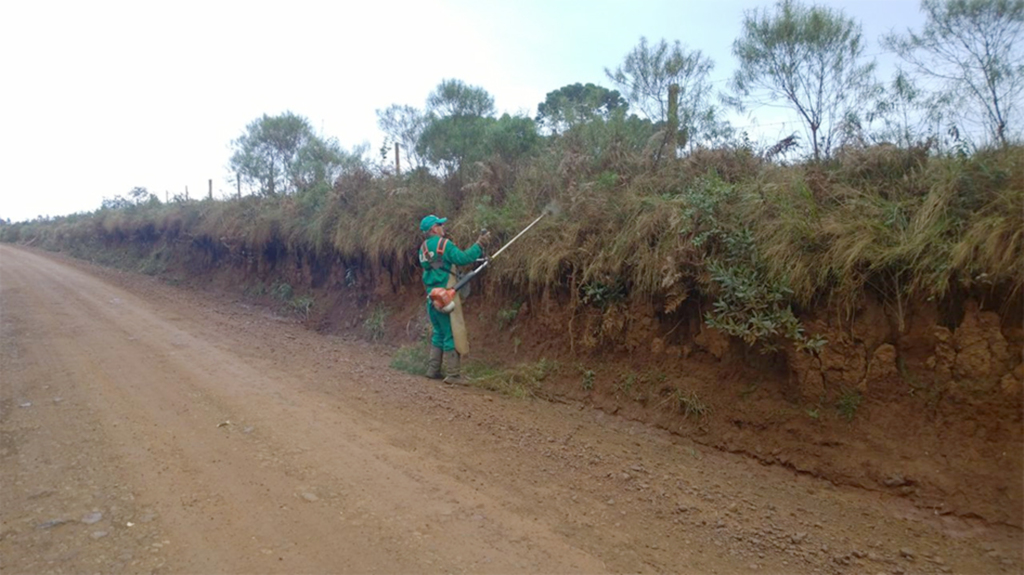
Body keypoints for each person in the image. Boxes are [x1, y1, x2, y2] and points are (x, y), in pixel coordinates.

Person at [418, 214, 488, 385]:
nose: (443, 227)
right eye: (440, 224)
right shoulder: (444, 244)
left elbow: (431, 266)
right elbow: (463, 258)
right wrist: (480, 244)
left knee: (438, 333)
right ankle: (453, 374)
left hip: (431, 297)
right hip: (445, 296)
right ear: (434, 229)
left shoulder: (423, 248)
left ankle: (432, 370)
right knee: (451, 332)